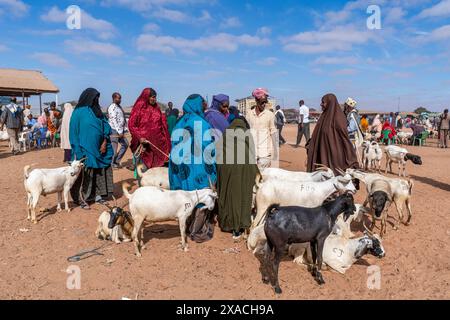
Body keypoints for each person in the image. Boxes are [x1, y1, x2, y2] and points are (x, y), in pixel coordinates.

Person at [169, 94, 217, 243]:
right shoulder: (202, 123)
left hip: (182, 169)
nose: (205, 106)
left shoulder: (179, 123)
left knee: (185, 194)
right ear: (197, 105)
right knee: (200, 195)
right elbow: (209, 147)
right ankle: (196, 230)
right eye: (203, 103)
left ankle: (187, 224)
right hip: (198, 168)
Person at [69, 88, 114, 210]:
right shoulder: (77, 112)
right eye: (95, 98)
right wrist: (78, 150)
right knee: (85, 174)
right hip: (85, 149)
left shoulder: (97, 111)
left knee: (99, 172)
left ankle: (98, 195)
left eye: (97, 98)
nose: (97, 100)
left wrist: (104, 142)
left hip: (100, 149)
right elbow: (73, 132)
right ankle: (82, 198)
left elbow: (106, 127)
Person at [217, 116, 259, 241]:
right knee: (243, 196)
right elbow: (252, 153)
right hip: (244, 169)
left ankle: (230, 224)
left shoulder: (226, 133)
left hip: (228, 169)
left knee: (230, 196)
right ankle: (241, 225)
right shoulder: (246, 133)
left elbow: (219, 153)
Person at [307, 94, 359, 175]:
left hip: (334, 154)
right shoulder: (324, 116)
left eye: (323, 102)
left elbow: (344, 137)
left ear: (330, 103)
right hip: (322, 152)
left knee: (334, 177)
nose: (321, 104)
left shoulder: (339, 118)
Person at [129, 88, 171, 172]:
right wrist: (140, 137)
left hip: (158, 144)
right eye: (152, 97)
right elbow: (132, 125)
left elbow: (162, 124)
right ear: (146, 96)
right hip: (145, 145)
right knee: (144, 171)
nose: (154, 99)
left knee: (158, 170)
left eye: (155, 97)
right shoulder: (139, 107)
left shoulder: (157, 108)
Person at [246, 88, 278, 170]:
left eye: (265, 102)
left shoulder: (270, 115)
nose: (264, 104)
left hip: (265, 154)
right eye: (262, 102)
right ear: (256, 101)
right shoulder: (249, 114)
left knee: (263, 179)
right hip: (251, 154)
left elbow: (273, 132)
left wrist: (275, 151)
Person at [108, 92, 129, 169]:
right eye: (118, 98)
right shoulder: (112, 107)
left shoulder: (119, 107)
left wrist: (124, 129)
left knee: (125, 144)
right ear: (114, 98)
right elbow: (114, 120)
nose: (120, 100)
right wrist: (120, 132)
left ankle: (116, 161)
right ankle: (112, 164)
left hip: (120, 130)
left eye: (120, 98)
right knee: (114, 149)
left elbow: (122, 118)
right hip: (114, 130)